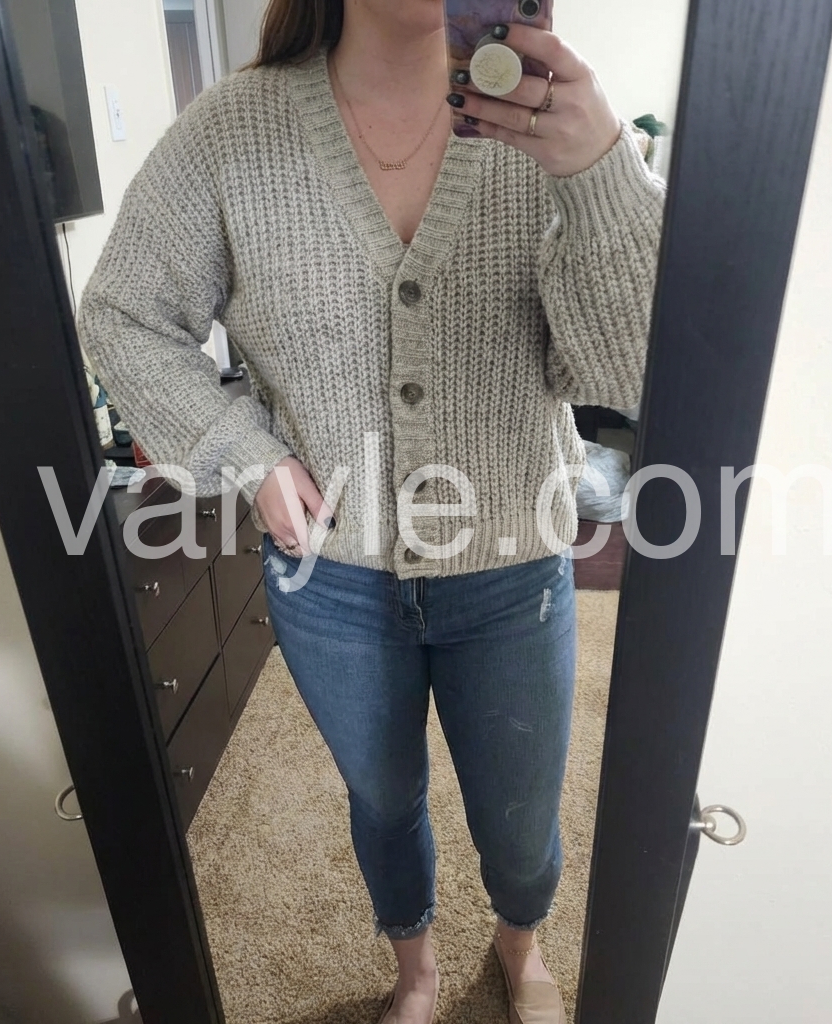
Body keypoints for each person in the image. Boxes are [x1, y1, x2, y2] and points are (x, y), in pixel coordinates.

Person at [78, 1, 665, 1021]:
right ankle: (417, 970)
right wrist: (247, 455)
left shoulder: (549, 125)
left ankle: (519, 943)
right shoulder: (231, 131)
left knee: (522, 814)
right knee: (382, 800)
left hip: (511, 566)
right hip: (330, 575)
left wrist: (601, 174)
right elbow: (124, 315)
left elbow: (630, 369)